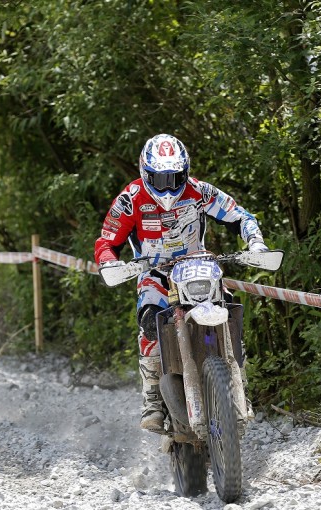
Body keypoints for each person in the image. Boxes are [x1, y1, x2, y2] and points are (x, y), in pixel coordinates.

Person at [93, 133, 268, 433]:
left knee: (231, 313)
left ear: (185, 171)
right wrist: (109, 262)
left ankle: (240, 387)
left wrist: (256, 243)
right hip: (155, 274)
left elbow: (240, 215)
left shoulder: (198, 191)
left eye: (175, 177)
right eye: (159, 178)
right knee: (149, 321)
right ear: (145, 173)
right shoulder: (131, 199)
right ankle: (152, 397)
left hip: (198, 268)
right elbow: (107, 240)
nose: (167, 185)